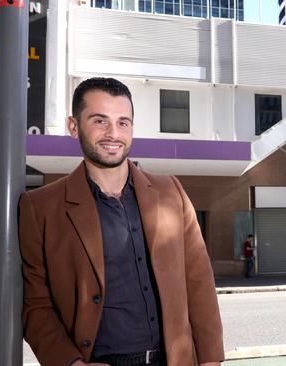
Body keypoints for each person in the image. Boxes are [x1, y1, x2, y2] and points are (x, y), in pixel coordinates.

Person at [18, 77, 224, 366]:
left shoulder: (171, 192)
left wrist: (211, 359)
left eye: (123, 122)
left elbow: (199, 281)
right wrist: (72, 364)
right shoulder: (39, 208)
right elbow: (35, 304)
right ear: (73, 126)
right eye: (100, 121)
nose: (113, 133)